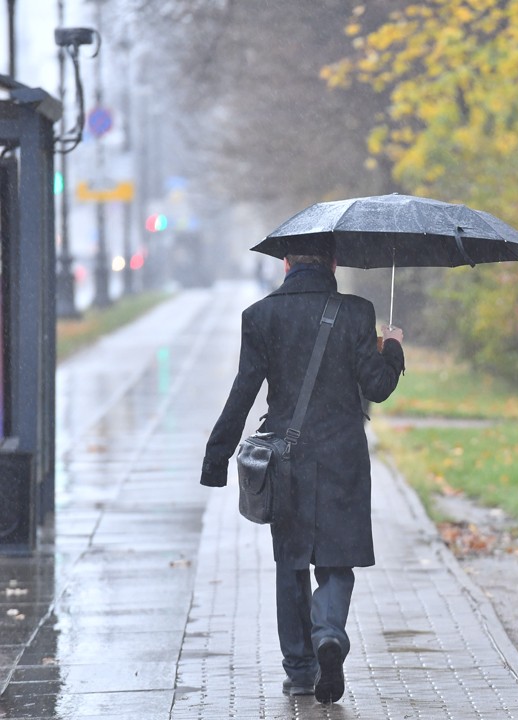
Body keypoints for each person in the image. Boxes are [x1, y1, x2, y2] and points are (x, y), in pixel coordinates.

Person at [199, 242, 404, 703]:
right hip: (343, 458)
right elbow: (378, 386)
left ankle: (299, 670)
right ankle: (328, 631)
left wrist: (216, 460)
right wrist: (391, 347)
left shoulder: (260, 316)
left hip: (285, 460)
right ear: (334, 265)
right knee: (336, 560)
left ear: (286, 264)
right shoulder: (356, 312)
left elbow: (243, 392)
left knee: (290, 565)